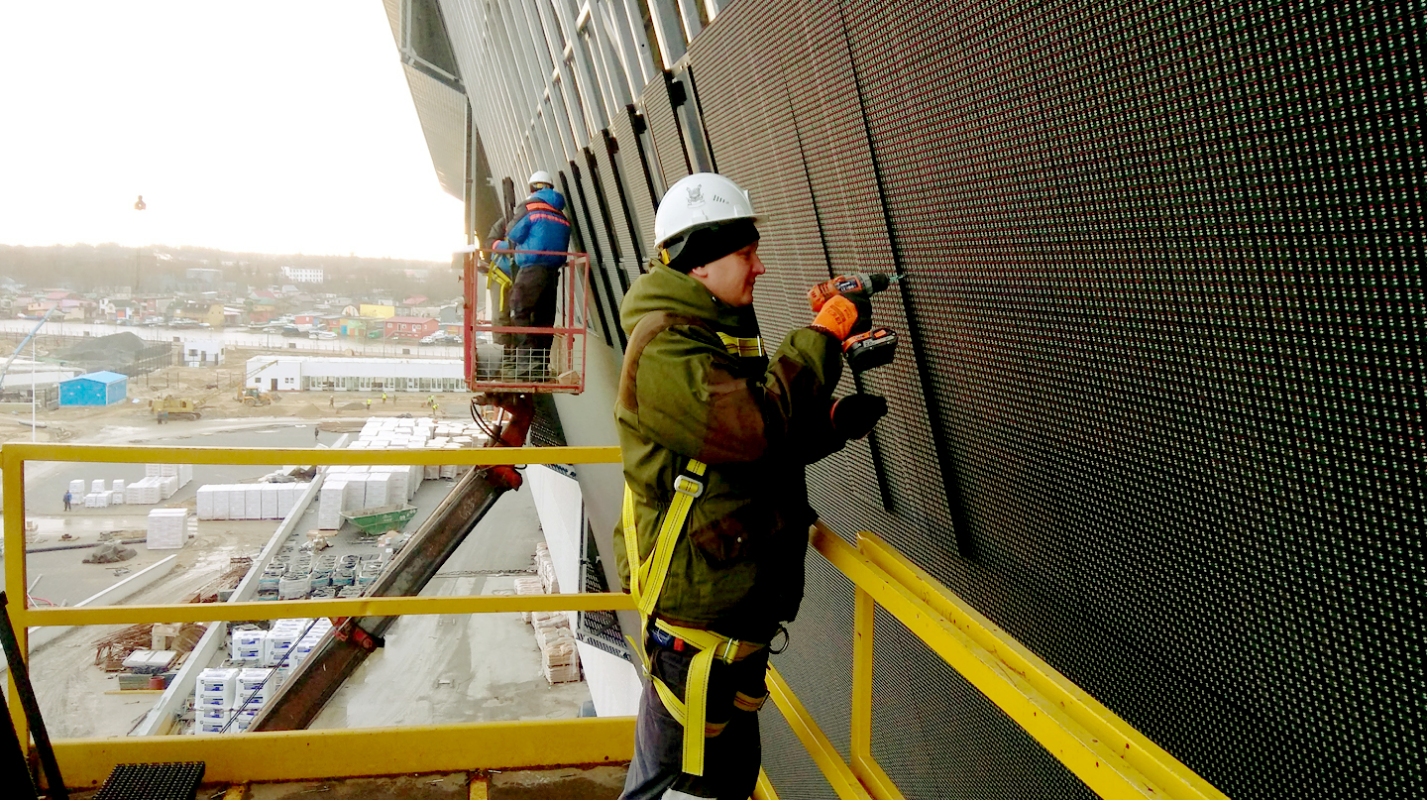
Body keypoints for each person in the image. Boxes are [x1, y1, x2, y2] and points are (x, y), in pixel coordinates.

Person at [613, 173, 889, 800]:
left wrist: (829, 423)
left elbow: (737, 455)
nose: (760, 268)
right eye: (747, 254)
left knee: (715, 786)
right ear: (701, 261)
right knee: (683, 790)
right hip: (699, 643)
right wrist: (824, 333)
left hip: (724, 635)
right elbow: (755, 427)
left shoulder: (708, 336)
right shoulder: (665, 349)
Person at [502, 170, 572, 380]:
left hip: (531, 269)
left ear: (532, 188)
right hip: (552, 273)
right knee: (544, 319)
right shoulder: (561, 214)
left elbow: (514, 233)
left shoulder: (529, 207)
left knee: (519, 310)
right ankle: (540, 366)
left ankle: (526, 363)